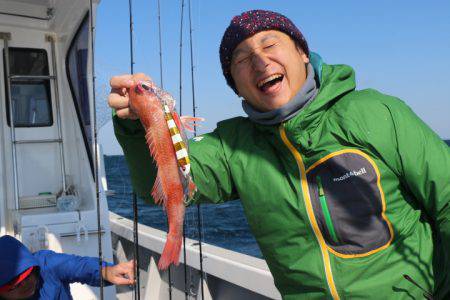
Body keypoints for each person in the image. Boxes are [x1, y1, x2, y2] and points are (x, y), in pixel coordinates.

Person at [108, 9, 450, 299]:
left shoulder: (377, 112)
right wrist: (137, 124)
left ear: (303, 53)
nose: (259, 61)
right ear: (235, 85)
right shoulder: (233, 146)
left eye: (270, 44)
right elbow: (169, 183)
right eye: (241, 60)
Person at [0, 235, 134, 300]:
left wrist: (106, 271)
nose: (26, 284)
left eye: (27, 275)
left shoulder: (46, 263)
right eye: (16, 285)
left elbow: (79, 266)